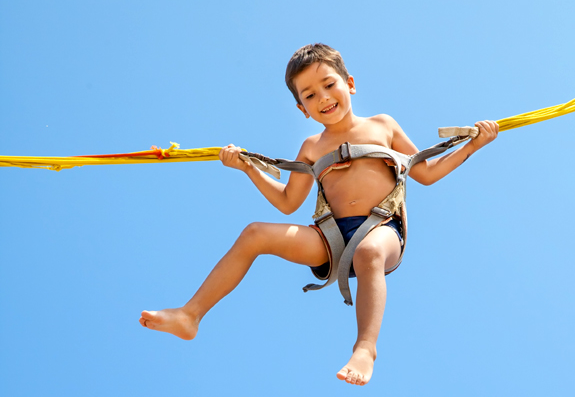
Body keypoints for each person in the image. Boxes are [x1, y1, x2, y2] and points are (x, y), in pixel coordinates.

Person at [139, 43, 499, 386]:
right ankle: (190, 315)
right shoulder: (312, 147)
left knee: (369, 252)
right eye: (310, 95)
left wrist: (474, 143)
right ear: (302, 109)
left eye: (329, 85)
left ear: (350, 84)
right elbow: (287, 202)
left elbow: (426, 173)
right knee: (254, 233)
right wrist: (249, 169)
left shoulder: (383, 125)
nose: (324, 97)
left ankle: (365, 349)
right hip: (330, 237)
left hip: (382, 229)